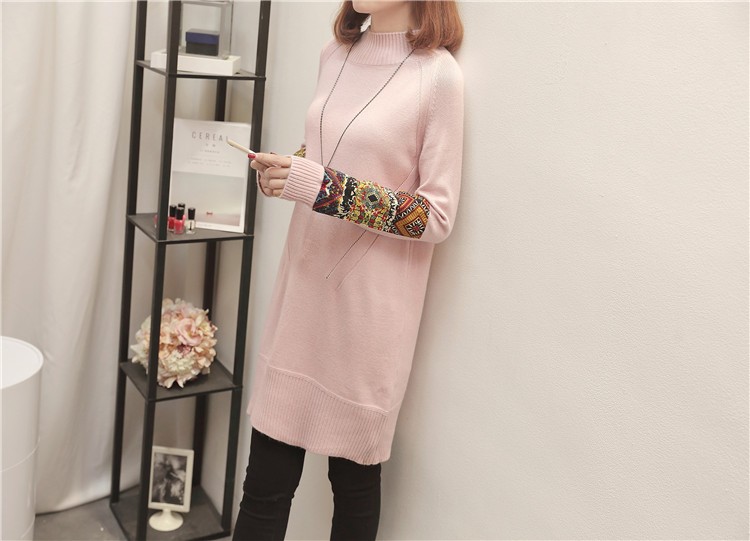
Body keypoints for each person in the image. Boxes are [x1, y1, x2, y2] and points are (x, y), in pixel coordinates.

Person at [233, 1, 464, 539]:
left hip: (367, 322)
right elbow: (333, 151)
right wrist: (288, 168)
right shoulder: (334, 53)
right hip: (301, 299)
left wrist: (319, 185)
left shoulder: (438, 77)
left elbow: (435, 215)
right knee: (263, 488)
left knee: (353, 493)